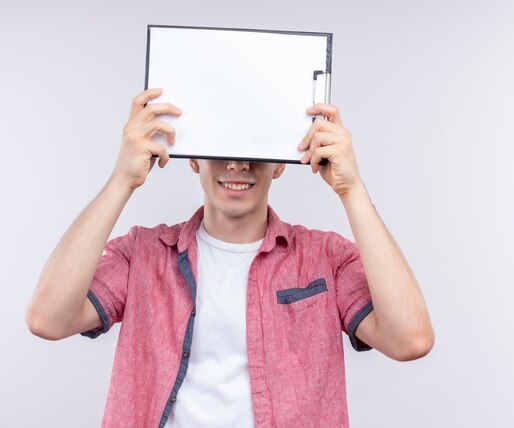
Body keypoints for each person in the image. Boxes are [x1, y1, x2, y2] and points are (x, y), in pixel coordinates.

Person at [25, 88, 434, 427]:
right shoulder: (143, 255)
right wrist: (121, 180)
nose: (237, 164)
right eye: (220, 148)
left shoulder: (324, 258)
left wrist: (353, 190)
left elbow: (409, 340)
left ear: (280, 165)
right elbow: (48, 318)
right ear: (194, 158)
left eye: (254, 150)